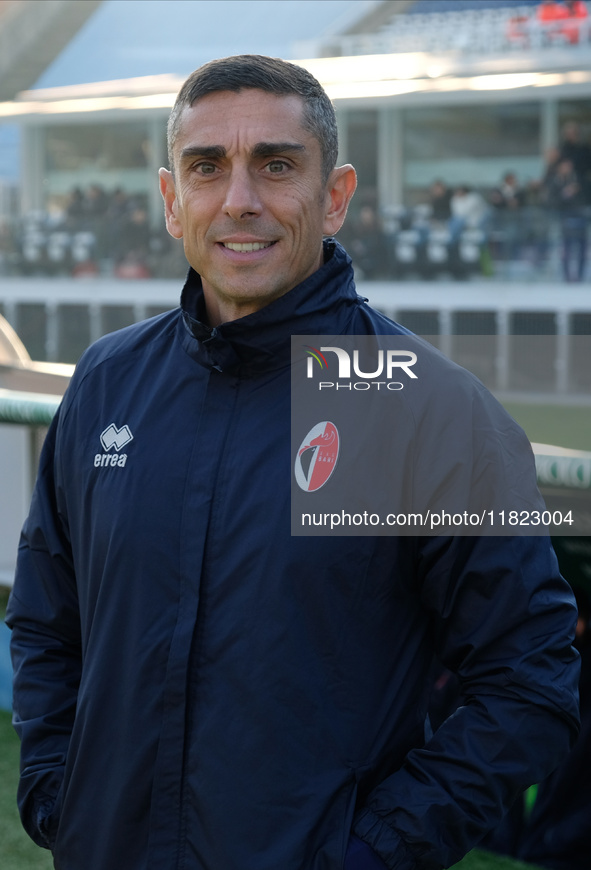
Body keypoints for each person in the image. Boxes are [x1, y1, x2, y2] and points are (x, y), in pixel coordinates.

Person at [6, 55, 580, 870]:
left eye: (276, 165)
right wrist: (57, 787)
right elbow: (44, 613)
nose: (240, 199)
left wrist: (368, 851)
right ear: (172, 201)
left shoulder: (418, 403)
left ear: (335, 196)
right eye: (206, 167)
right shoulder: (109, 381)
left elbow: (530, 680)